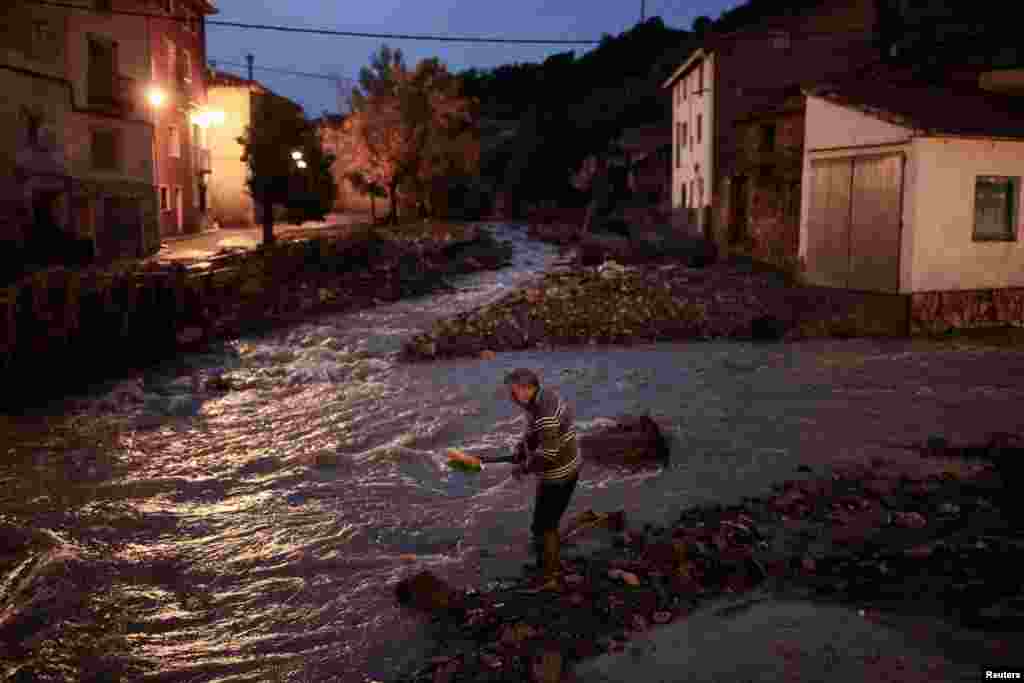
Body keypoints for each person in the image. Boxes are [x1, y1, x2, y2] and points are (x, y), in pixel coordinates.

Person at [504, 368, 582, 589]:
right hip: (564, 467)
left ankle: (551, 575)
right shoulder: (542, 397)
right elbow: (534, 430)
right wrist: (522, 448)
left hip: (559, 475)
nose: (511, 395)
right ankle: (545, 563)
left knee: (546, 525)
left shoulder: (544, 413)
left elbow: (548, 453)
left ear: (528, 389)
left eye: (515, 391)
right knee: (541, 524)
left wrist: (523, 468)